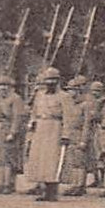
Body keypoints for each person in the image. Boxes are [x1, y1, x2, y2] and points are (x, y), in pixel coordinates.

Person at [24, 67, 68, 201]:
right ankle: (42, 188)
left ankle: (52, 191)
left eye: (53, 81)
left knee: (52, 160)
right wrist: (31, 125)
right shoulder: (39, 95)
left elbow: (68, 117)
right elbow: (34, 112)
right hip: (41, 128)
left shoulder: (64, 97)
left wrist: (66, 134)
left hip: (55, 128)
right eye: (47, 81)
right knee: (40, 159)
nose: (50, 84)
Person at [0, 76, 25, 193]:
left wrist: (13, 132)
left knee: (8, 158)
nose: (2, 88)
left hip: (7, 128)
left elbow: (17, 117)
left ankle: (8, 184)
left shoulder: (16, 99)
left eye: (5, 86)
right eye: (0, 86)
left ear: (11, 87)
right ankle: (1, 183)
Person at [62, 75, 92, 196]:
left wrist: (84, 140)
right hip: (71, 134)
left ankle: (80, 185)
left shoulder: (85, 104)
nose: (70, 92)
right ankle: (74, 184)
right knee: (73, 162)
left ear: (79, 90)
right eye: (69, 89)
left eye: (72, 89)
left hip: (80, 134)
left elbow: (87, 124)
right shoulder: (70, 105)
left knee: (80, 162)